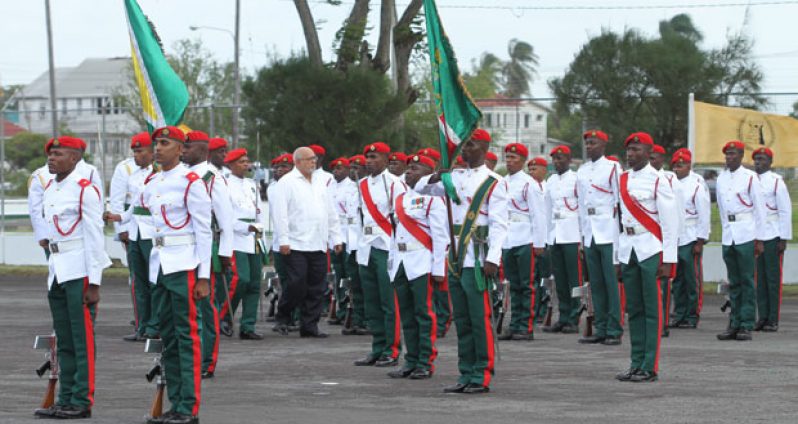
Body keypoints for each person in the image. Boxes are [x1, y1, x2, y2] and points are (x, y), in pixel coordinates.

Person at [108, 126, 212, 424]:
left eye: (165, 143)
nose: (158, 148)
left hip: (184, 264)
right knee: (168, 337)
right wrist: (117, 217)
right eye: (156, 144)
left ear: (181, 149)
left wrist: (203, 276)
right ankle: (175, 403)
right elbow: (135, 210)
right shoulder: (152, 181)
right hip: (160, 264)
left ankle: (188, 408)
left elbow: (204, 231)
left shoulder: (191, 182)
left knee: (186, 336)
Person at [415, 128, 508, 394]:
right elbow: (420, 187)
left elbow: (500, 224)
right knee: (463, 318)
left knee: (479, 317)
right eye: (463, 145)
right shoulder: (451, 177)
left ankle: (482, 374)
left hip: (477, 256)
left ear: (484, 147)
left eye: (471, 144)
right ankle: (465, 372)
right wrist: (440, 171)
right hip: (455, 255)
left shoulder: (493, 181)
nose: (465, 149)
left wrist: (493, 258)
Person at [33, 136, 110, 419]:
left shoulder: (84, 190)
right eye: (50, 154)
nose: (51, 158)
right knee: (64, 339)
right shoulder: (51, 188)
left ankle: (81, 399)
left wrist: (95, 281)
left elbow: (95, 237)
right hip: (57, 269)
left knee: (82, 340)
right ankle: (64, 397)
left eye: (58, 153)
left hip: (79, 270)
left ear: (75, 158)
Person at [614, 132, 678, 383]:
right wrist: (617, 258)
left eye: (636, 150)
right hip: (629, 248)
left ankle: (649, 366)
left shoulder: (659, 180)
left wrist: (668, 260)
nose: (631, 154)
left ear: (649, 153)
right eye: (629, 150)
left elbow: (670, 222)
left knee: (652, 310)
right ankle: (635, 362)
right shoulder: (622, 179)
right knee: (635, 310)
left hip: (651, 248)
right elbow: (617, 221)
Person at [386, 154, 448, 380]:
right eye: (408, 168)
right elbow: (395, 234)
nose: (409, 171)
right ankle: (410, 360)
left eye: (416, 167)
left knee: (423, 314)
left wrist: (439, 269)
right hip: (401, 261)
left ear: (429, 173)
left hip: (422, 261)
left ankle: (425, 362)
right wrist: (391, 264)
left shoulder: (434, 199)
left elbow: (441, 236)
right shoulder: (400, 198)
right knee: (407, 315)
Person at [272, 147, 344, 337]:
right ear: (297, 162)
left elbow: (330, 212)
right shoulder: (286, 183)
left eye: (314, 159)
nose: (313, 162)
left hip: (318, 241)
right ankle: (284, 315)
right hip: (295, 243)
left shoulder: (321, 182)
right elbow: (280, 215)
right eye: (309, 159)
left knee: (317, 286)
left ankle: (309, 325)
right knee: (297, 284)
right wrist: (284, 240)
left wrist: (336, 237)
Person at [183, 130, 234, 378]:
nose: (183, 150)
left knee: (205, 307)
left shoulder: (211, 176)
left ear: (203, 150)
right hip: (182, 248)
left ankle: (207, 361)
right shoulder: (181, 175)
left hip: (207, 248)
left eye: (188, 146)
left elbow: (225, 219)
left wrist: (225, 254)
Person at [353, 142, 407, 367]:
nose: (369, 161)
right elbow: (359, 217)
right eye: (367, 157)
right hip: (366, 246)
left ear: (386, 159)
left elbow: (401, 218)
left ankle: (391, 350)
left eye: (374, 157)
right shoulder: (361, 184)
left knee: (388, 301)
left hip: (386, 246)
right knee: (371, 301)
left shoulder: (395, 184)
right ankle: (377, 347)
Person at [715, 140, 766, 341]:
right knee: (734, 282)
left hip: (746, 231)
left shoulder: (750, 177)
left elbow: (760, 210)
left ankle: (746, 323)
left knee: (746, 280)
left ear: (742, 155)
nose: (729, 157)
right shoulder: (721, 179)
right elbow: (720, 208)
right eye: (727, 154)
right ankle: (734, 322)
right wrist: (724, 232)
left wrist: (760, 239)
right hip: (729, 234)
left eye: (733, 154)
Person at [576, 130, 623, 345]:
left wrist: (621, 235)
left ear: (603, 145)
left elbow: (620, 203)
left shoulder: (613, 168)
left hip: (609, 229)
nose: (589, 146)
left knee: (611, 282)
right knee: (596, 282)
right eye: (587, 143)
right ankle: (601, 327)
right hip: (590, 231)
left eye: (593, 143)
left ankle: (614, 328)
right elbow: (580, 206)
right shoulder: (582, 170)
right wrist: (581, 237)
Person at [499, 143, 546, 341]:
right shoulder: (502, 182)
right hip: (508, 238)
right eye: (507, 157)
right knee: (513, 284)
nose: (509, 161)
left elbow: (539, 215)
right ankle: (515, 322)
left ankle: (525, 326)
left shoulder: (529, 184)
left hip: (525, 236)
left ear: (523, 160)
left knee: (526, 285)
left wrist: (539, 243)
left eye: (514, 158)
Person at [117, 133, 159, 342]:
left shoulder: (161, 173)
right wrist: (121, 227)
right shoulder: (131, 174)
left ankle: (155, 325)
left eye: (140, 151)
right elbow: (125, 204)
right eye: (134, 151)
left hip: (153, 233)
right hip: (135, 231)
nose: (136, 155)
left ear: (153, 152)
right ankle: (142, 325)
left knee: (155, 282)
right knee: (139, 283)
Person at [224, 148, 266, 340]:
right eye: (241, 162)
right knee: (241, 280)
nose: (246, 165)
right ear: (231, 164)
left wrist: (259, 227)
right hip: (236, 238)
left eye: (247, 161)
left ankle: (248, 325)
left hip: (254, 238)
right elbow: (225, 216)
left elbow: (258, 210)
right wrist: (244, 227)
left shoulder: (251, 184)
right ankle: (225, 315)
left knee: (255, 283)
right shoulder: (224, 184)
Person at [543, 146, 582, 334]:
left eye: (560, 158)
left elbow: (582, 208)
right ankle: (563, 315)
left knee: (574, 279)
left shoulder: (576, 179)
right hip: (555, 234)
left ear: (569, 159)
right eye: (554, 159)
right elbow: (547, 210)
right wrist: (546, 237)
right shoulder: (550, 181)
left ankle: (574, 316)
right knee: (560, 278)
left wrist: (583, 237)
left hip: (572, 234)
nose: (556, 162)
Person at [669, 149, 710, 329]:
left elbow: (704, 214)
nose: (678, 168)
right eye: (675, 165)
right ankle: (679, 314)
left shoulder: (696, 185)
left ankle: (692, 315)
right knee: (677, 280)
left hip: (691, 236)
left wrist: (701, 240)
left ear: (688, 166)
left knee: (692, 279)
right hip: (676, 237)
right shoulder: (670, 184)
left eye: (682, 165)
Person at [752, 147, 791, 332]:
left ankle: (773, 319)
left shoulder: (776, 182)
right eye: (756, 159)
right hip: (756, 235)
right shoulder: (750, 181)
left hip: (773, 234)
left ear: (770, 162)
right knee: (760, 279)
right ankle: (763, 316)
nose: (758, 162)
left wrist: (783, 238)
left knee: (773, 279)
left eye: (762, 159)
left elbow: (784, 210)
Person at [650, 144, 679, 336]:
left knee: (663, 283)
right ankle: (652, 321)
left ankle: (664, 321)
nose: (652, 160)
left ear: (662, 159)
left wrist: (676, 240)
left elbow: (677, 212)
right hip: (647, 237)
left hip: (664, 235)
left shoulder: (670, 178)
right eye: (649, 156)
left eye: (655, 157)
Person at [328, 157, 358, 325]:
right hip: (335, 235)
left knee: (349, 274)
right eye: (334, 169)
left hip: (348, 234)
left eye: (340, 169)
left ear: (347, 170)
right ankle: (341, 308)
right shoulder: (330, 187)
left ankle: (350, 309)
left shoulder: (352, 187)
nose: (336, 172)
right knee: (338, 274)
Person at [345, 155, 369, 335]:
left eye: (358, 167)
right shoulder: (348, 188)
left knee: (366, 285)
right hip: (351, 244)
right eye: (352, 167)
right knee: (354, 285)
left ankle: (367, 320)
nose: (354, 171)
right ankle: (358, 320)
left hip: (366, 244)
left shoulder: (368, 187)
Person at [527, 156, 552, 323]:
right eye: (529, 169)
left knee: (545, 277)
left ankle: (543, 309)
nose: (531, 172)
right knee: (532, 277)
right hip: (530, 238)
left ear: (544, 170)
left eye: (535, 169)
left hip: (547, 239)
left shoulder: (549, 188)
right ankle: (533, 310)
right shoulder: (527, 187)